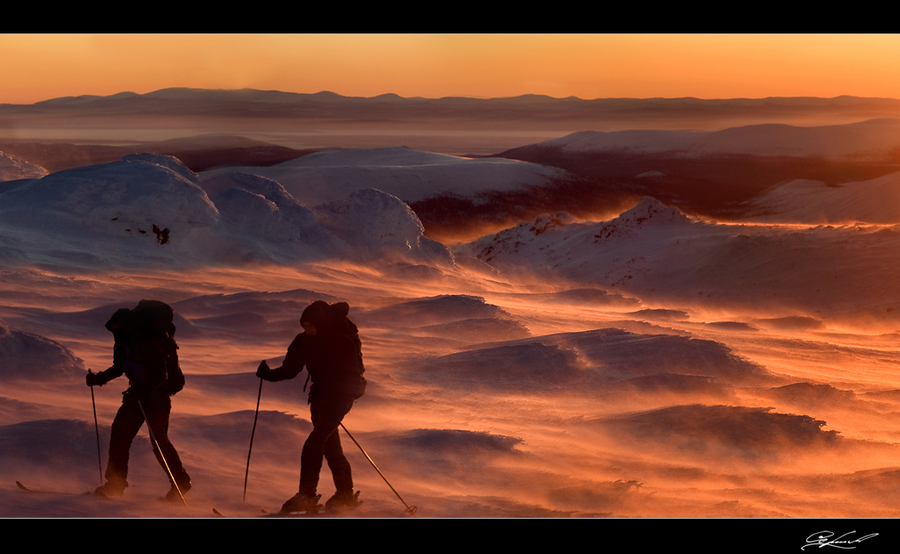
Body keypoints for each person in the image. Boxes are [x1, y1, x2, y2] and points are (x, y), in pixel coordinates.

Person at [257, 300, 367, 513]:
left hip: (340, 398)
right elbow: (290, 370)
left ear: (321, 324)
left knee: (314, 442)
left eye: (310, 326)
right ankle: (345, 493)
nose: (307, 331)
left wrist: (343, 403)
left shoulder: (342, 341)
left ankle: (306, 496)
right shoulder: (304, 341)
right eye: (304, 326)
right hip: (319, 398)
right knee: (329, 445)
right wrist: (267, 374)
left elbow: (352, 377)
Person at [86, 300, 191, 501]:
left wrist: (146, 390)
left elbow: (162, 375)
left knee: (157, 441)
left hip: (156, 399)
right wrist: (98, 379)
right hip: (137, 396)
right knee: (120, 435)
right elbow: (119, 367)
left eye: (117, 328)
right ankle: (115, 484)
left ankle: (181, 483)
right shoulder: (124, 342)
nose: (115, 332)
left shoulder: (145, 341)